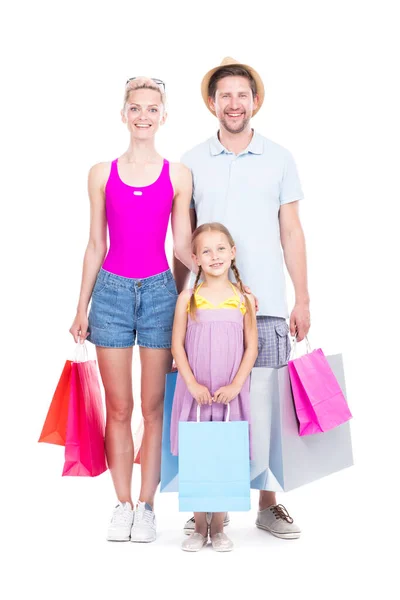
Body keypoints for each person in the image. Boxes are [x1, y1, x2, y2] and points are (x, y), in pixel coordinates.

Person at [173, 57, 311, 540]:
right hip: (208, 313)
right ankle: (209, 506)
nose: (234, 103)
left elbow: (291, 231)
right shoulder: (191, 160)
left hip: (268, 305)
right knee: (210, 408)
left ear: (255, 101)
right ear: (212, 103)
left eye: (242, 95)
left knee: (267, 409)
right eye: (225, 95)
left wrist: (303, 298)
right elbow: (184, 239)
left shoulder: (279, 157)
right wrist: (181, 304)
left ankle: (268, 504)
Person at [69, 76, 193, 543]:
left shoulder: (178, 174)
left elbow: (181, 245)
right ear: (124, 115)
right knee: (119, 408)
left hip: (161, 292)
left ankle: (147, 506)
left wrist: (191, 296)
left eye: (152, 108)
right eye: (135, 108)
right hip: (113, 295)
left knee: (154, 407)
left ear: (164, 115)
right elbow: (95, 243)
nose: (144, 116)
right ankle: (121, 506)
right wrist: (81, 306)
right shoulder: (101, 172)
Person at [171, 222, 258, 552]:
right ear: (195, 259)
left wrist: (236, 384)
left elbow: (251, 347)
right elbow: (177, 346)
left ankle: (219, 527)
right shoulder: (188, 299)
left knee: (225, 454)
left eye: (221, 248)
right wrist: (191, 383)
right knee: (197, 454)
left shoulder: (243, 299)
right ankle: (198, 528)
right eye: (206, 251)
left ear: (232, 253)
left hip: (229, 394)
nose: (214, 256)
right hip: (196, 394)